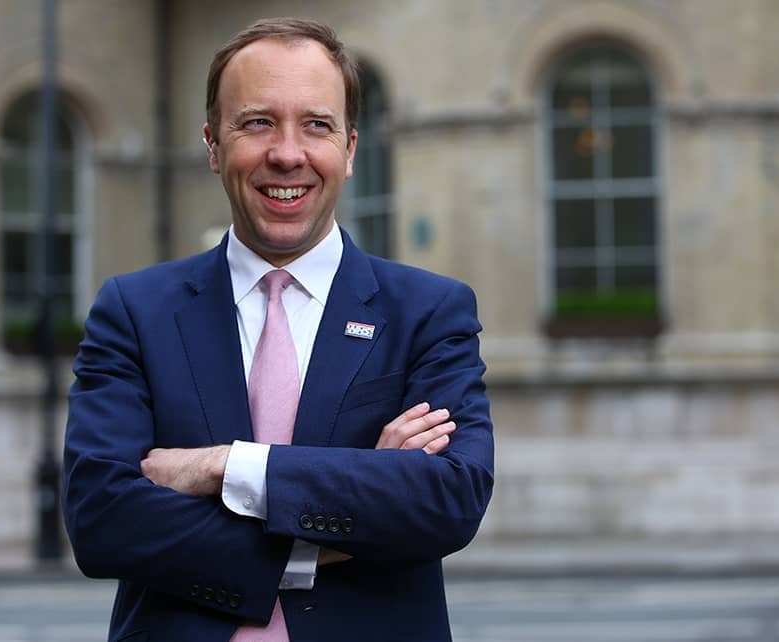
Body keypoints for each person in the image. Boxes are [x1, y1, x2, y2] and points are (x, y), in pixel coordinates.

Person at [63, 17, 494, 642]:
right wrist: (344, 516)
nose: (288, 154)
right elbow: (101, 521)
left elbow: (448, 500)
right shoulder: (134, 311)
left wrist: (224, 467)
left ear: (349, 149)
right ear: (213, 146)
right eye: (258, 122)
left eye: (316, 125)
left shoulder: (429, 312)